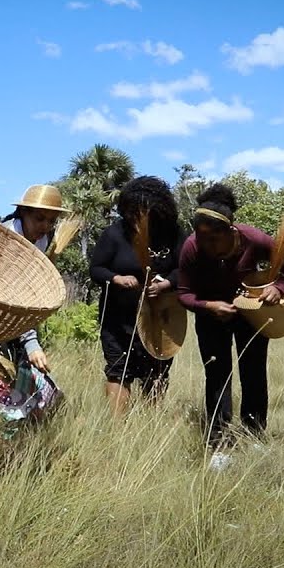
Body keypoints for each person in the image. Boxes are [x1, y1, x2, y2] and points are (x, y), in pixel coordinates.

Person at [175, 183, 284, 462]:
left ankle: (254, 434)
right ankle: (219, 442)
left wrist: (278, 288)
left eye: (214, 239)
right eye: (203, 239)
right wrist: (207, 306)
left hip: (251, 315)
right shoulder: (191, 247)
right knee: (217, 375)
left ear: (230, 231)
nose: (208, 246)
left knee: (253, 372)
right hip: (211, 317)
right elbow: (183, 294)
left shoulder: (253, 239)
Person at [89, 176, 183, 417]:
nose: (134, 218)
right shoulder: (115, 233)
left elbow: (185, 269)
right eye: (130, 212)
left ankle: (150, 424)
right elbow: (96, 269)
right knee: (118, 369)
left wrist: (166, 283)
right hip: (118, 318)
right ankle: (117, 427)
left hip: (160, 318)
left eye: (141, 212)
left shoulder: (173, 234)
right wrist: (116, 279)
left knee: (158, 370)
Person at [0, 185, 67, 435]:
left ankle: (25, 428)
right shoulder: (7, 239)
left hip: (24, 318)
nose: (45, 226)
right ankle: (10, 434)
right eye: (39, 218)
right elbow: (12, 298)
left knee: (25, 372)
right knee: (6, 370)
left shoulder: (45, 239)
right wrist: (31, 342)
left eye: (52, 221)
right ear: (23, 213)